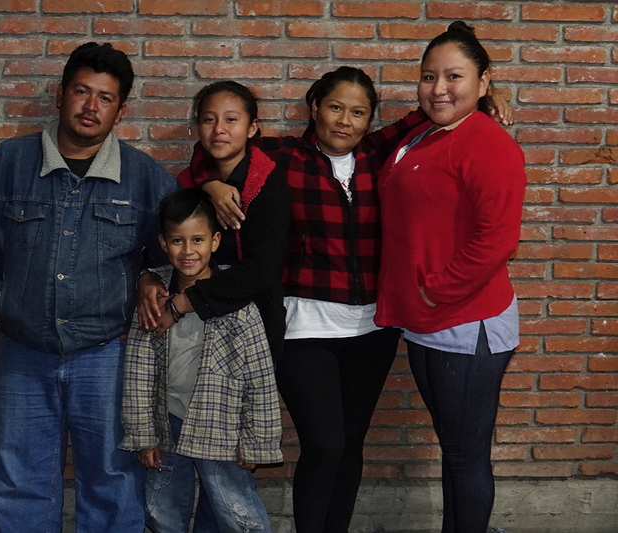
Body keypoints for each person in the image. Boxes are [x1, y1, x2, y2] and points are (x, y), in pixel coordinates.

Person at [185, 68, 513, 533]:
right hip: (304, 327)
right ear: (314, 107)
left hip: (372, 329)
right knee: (323, 445)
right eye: (335, 107)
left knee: (352, 442)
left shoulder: (383, 154)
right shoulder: (279, 157)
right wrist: (209, 183)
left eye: (358, 112)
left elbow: (435, 109)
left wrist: (484, 97)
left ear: (369, 120)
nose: (345, 121)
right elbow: (213, 148)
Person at [0, 42, 179, 532]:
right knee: (20, 477)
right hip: (22, 347)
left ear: (122, 109)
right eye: (81, 91)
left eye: (105, 97)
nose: (90, 106)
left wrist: (148, 278)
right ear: (60, 94)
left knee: (113, 475)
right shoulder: (8, 163)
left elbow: (176, 253)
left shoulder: (145, 179)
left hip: (107, 352)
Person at [375, 21, 527, 533]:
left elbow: (497, 239)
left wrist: (433, 288)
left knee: (464, 454)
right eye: (428, 76)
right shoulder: (422, 132)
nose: (438, 88)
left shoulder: (489, 143)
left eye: (454, 77)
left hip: (466, 322)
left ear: (484, 81)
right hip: (426, 319)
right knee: (455, 449)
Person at [120, 188, 283, 533]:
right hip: (168, 425)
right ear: (163, 244)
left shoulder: (237, 301)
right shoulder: (153, 301)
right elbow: (137, 373)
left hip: (222, 427)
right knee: (161, 510)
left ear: (215, 241)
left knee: (237, 512)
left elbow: (261, 379)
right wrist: (143, 434)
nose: (188, 250)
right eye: (177, 241)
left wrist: (257, 443)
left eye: (198, 239)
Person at [138, 81, 290, 360]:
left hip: (250, 321)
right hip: (188, 324)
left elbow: (262, 268)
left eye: (231, 119)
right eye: (209, 119)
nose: (219, 129)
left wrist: (183, 303)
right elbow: (161, 247)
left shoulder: (268, 186)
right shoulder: (188, 182)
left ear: (252, 127)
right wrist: (146, 278)